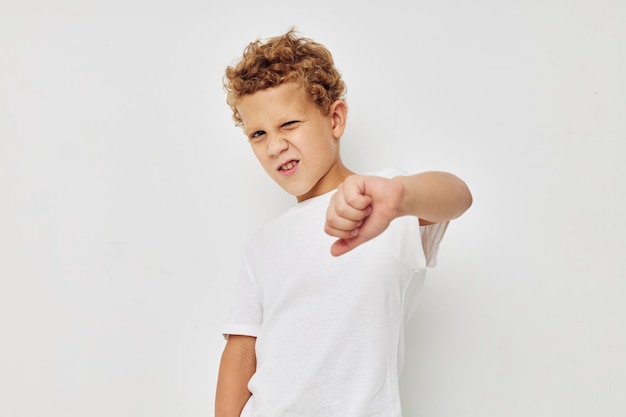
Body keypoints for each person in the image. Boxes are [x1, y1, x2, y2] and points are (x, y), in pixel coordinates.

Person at [215, 28, 472, 417]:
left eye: (289, 124)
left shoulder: (384, 202)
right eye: (258, 134)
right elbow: (241, 349)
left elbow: (458, 196)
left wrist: (400, 195)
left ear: (335, 119)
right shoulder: (264, 244)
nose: (274, 145)